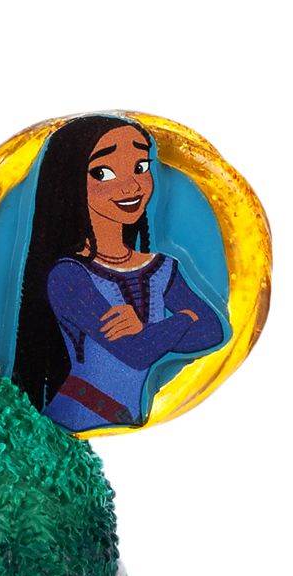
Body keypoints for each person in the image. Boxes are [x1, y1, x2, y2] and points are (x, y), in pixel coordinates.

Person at [12, 115, 224, 431]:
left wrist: (151, 330)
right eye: (103, 173)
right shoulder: (68, 276)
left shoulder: (162, 267)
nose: (131, 185)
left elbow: (212, 331)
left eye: (140, 166)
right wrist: (186, 318)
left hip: (129, 419)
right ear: (70, 182)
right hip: (77, 416)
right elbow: (135, 352)